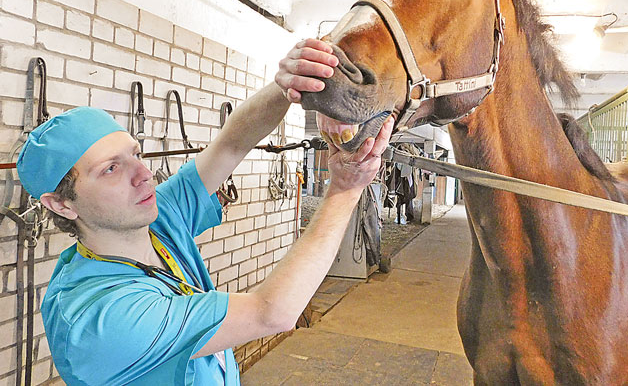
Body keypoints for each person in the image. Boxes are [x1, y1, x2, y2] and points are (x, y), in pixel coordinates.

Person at [16, 39, 393, 386]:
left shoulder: (156, 221)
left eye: (136, 154)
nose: (144, 175)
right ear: (61, 203)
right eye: (111, 169)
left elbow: (231, 143)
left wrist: (289, 85)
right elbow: (272, 312)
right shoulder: (99, 316)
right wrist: (345, 189)